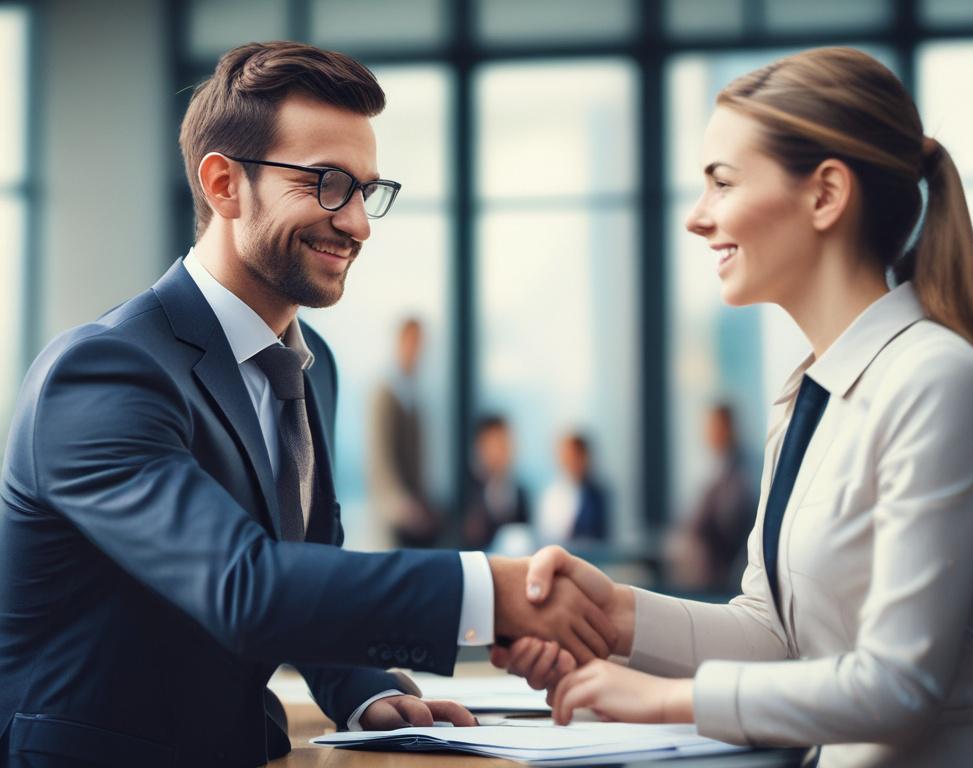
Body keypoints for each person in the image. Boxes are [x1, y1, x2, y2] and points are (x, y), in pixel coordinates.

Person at [0, 42, 617, 767]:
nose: (357, 223)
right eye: (326, 183)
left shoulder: (307, 366)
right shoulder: (104, 372)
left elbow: (306, 561)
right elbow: (244, 583)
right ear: (224, 184)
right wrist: (488, 590)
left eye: (367, 190)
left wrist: (357, 687)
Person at [495, 47, 973, 767]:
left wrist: (663, 699)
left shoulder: (936, 380)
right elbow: (774, 638)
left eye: (721, 183)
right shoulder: (809, 394)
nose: (696, 218)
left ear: (825, 195)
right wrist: (612, 614)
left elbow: (902, 684)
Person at [367, 317, 441, 547]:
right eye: (411, 342)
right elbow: (380, 456)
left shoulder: (414, 397)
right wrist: (399, 505)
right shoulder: (385, 393)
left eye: (420, 344)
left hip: (414, 510)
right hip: (394, 515)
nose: (416, 350)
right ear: (399, 343)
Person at [664, 403, 756, 590]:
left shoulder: (739, 474)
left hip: (718, 574)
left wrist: (697, 532)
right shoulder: (716, 467)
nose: (708, 433)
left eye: (714, 426)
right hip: (703, 567)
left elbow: (729, 523)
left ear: (728, 429)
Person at [463, 414, 530, 551]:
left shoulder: (520, 492)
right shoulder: (467, 492)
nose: (501, 451)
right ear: (480, 448)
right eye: (494, 444)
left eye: (505, 443)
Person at [537, 432, 609, 545]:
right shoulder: (552, 494)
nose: (569, 460)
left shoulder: (597, 495)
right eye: (566, 455)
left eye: (574, 455)